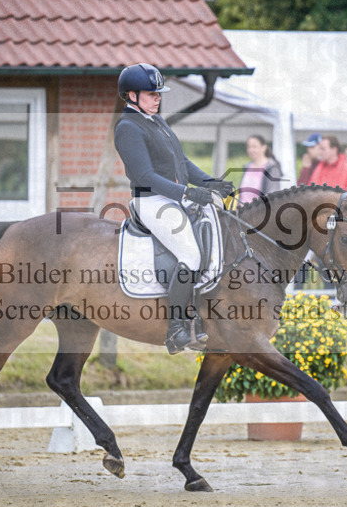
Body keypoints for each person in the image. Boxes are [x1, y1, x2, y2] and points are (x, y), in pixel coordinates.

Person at [113, 63, 235, 353]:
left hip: (171, 197)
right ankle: (176, 328)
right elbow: (145, 176)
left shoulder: (157, 121)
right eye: (151, 93)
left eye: (159, 93)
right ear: (131, 95)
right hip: (151, 201)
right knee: (191, 256)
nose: (157, 98)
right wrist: (187, 193)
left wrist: (211, 182)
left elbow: (182, 163)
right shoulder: (128, 127)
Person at [238, 134, 283, 204]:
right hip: (242, 212)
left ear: (264, 147)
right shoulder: (247, 166)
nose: (251, 150)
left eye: (254, 147)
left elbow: (273, 194)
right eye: (249, 147)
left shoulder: (271, 168)